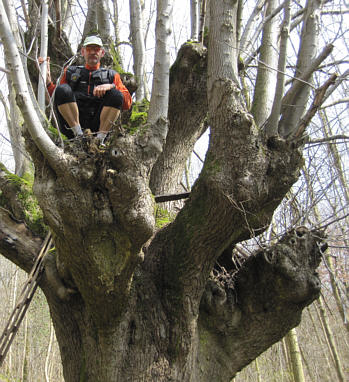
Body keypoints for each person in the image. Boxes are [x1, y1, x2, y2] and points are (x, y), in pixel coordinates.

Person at [44, 35, 132, 146]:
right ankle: (79, 136)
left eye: (96, 49)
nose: (93, 52)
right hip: (71, 127)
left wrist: (111, 86)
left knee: (116, 94)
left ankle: (99, 141)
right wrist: (47, 81)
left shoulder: (111, 76)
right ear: (83, 52)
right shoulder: (70, 72)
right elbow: (55, 98)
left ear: (102, 53)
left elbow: (127, 103)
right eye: (89, 49)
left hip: (98, 126)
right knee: (63, 89)